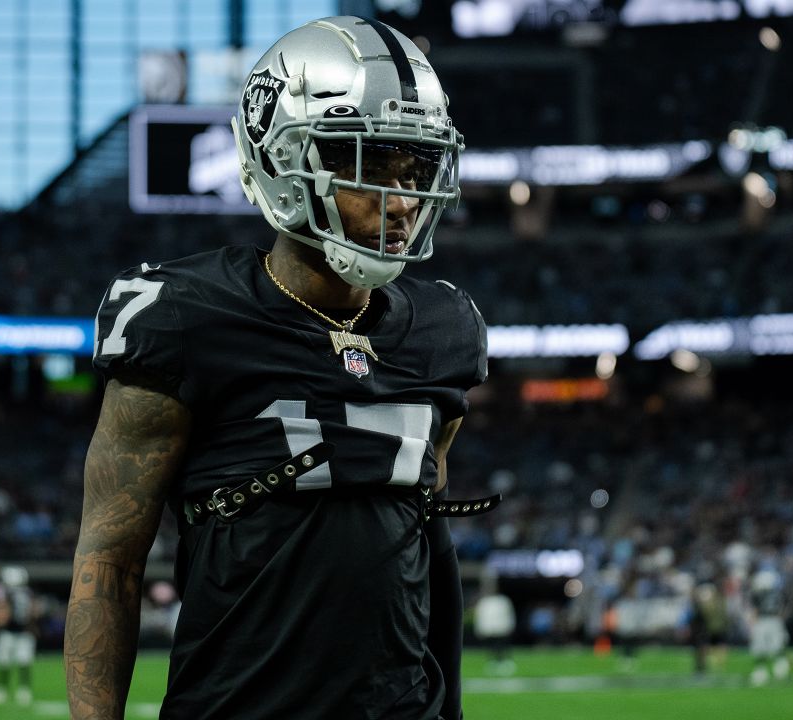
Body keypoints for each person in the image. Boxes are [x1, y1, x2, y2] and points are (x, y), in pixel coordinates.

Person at [65, 15, 492, 720]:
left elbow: (424, 537)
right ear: (283, 159)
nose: (402, 200)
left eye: (415, 169)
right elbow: (109, 560)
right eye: (368, 163)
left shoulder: (444, 333)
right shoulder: (185, 318)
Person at [0, 566, 36, 706]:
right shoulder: (28, 593)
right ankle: (24, 692)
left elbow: (3, 614)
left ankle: (1, 691)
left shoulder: (8, 593)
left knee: (4, 662)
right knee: (24, 663)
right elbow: (33, 612)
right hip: (25, 633)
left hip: (8, 633)